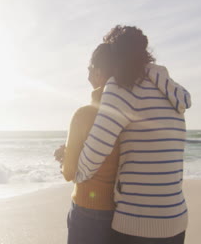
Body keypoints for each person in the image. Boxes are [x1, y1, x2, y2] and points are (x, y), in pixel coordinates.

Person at [73, 25, 191, 244]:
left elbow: (93, 156)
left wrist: (75, 173)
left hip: (138, 224)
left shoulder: (122, 88)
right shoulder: (170, 90)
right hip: (176, 219)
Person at [55, 43, 120, 244]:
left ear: (99, 72)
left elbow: (69, 173)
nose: (88, 74)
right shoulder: (125, 113)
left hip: (86, 209)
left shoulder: (84, 115)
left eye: (90, 69)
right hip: (117, 210)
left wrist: (65, 158)